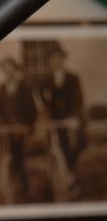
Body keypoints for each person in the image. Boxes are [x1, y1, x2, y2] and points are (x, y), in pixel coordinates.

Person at [40, 47, 85, 179]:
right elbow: (39, 93)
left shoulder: (73, 78)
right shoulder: (46, 79)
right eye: (53, 58)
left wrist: (75, 117)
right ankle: (56, 172)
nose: (56, 61)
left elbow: (78, 99)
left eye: (59, 58)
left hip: (70, 118)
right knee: (53, 145)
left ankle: (71, 170)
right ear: (49, 61)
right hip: (54, 119)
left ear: (64, 59)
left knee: (77, 143)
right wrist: (44, 107)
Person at [0, 57, 37, 196]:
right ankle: (9, 183)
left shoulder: (24, 87)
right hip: (7, 128)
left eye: (10, 70)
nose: (8, 73)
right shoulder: (1, 88)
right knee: (5, 153)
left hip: (22, 127)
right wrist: (0, 123)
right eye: (5, 70)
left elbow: (32, 110)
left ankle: (25, 186)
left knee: (18, 153)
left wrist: (27, 126)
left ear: (15, 70)